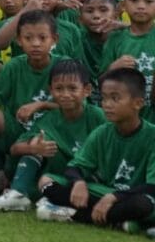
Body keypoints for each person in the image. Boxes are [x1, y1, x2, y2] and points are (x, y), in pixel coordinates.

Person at [36, 67, 155, 232]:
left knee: (143, 204)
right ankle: (123, 223)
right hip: (106, 192)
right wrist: (78, 182)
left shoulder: (151, 136)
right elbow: (74, 167)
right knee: (47, 181)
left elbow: (152, 186)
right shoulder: (102, 132)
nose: (107, 105)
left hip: (137, 196)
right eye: (104, 98)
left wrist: (113, 197)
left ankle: (75, 215)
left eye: (115, 98)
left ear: (138, 103)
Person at [0, 60, 105, 211]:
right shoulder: (49, 119)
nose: (65, 94)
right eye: (59, 89)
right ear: (51, 90)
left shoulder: (98, 117)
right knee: (36, 142)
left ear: (87, 90)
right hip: (57, 178)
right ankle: (18, 194)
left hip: (90, 179)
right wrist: (33, 148)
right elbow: (14, 149)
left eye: (72, 88)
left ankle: (54, 203)